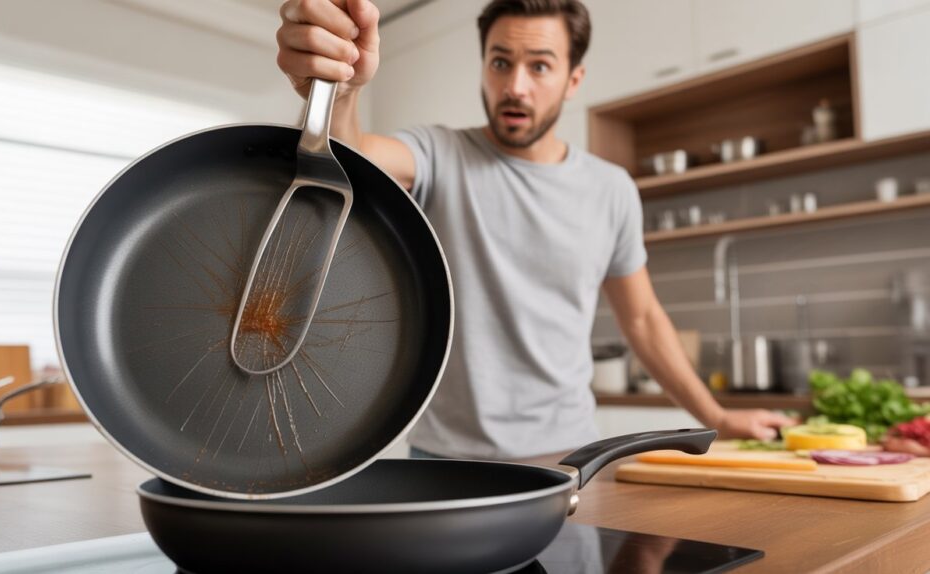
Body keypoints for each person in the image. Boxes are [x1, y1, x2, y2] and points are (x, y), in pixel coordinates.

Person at [275, 0, 795, 460]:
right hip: (445, 462)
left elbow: (643, 321)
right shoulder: (440, 154)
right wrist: (340, 92)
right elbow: (350, 159)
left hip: (572, 461)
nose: (515, 86)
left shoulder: (611, 190)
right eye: (501, 62)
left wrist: (718, 419)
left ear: (573, 79)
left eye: (540, 65)